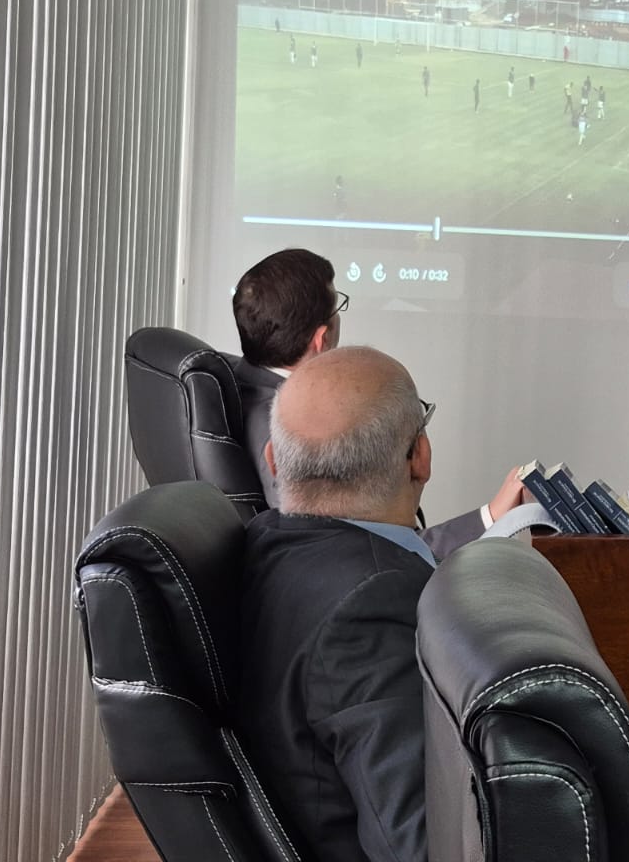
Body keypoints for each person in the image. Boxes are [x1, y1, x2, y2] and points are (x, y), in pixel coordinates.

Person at [238, 346, 437, 862]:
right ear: (421, 456)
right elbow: (413, 846)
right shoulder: (371, 604)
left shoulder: (264, 547)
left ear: (273, 460)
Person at [230, 248, 518, 556]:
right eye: (337, 306)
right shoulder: (293, 429)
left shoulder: (240, 391)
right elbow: (361, 550)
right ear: (321, 339)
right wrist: (492, 516)